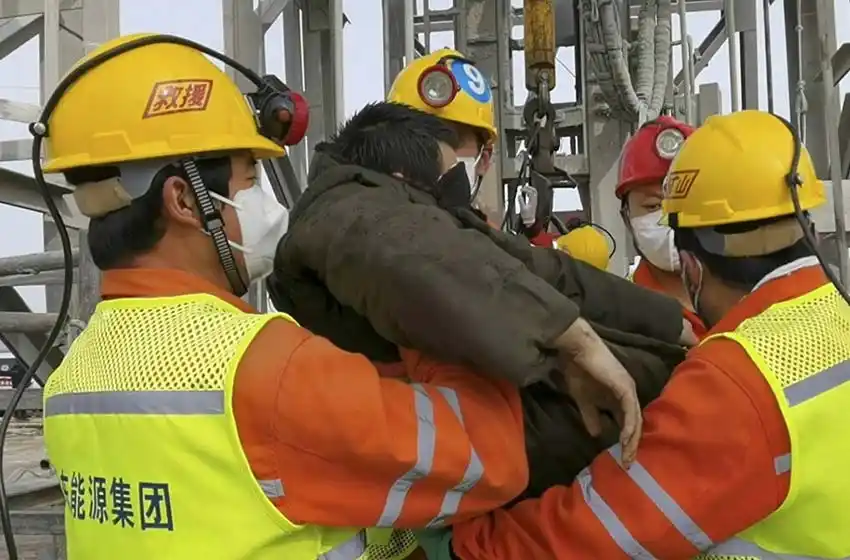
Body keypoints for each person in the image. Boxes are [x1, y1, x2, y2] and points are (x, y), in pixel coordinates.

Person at [40, 34, 533, 560]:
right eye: (249, 180)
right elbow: (491, 458)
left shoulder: (70, 380)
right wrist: (427, 305)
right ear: (184, 199)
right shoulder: (263, 369)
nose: (267, 207)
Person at [422, 110, 850, 559]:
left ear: (691, 265)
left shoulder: (739, 378)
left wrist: (466, 547)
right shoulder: (835, 313)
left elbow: (595, 533)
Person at [268, 101, 696, 497]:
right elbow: (410, 253)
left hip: (470, 460)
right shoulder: (344, 213)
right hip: (444, 468)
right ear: (402, 178)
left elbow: (541, 269)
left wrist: (671, 322)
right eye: (451, 175)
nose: (464, 186)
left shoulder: (416, 220)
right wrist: (570, 338)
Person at [617, 115, 708, 339]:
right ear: (626, 219)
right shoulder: (621, 311)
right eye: (653, 205)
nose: (670, 217)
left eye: (685, 201)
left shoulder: (753, 301)